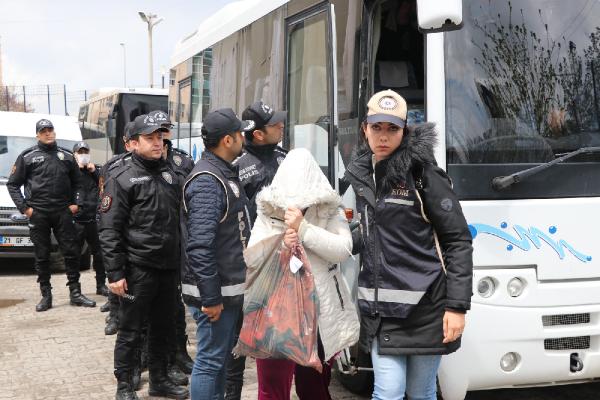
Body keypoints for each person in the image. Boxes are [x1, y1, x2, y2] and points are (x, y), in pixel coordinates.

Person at [343, 90, 473, 400]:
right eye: (377, 128)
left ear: (405, 130)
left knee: (421, 393)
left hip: (427, 310)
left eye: (392, 129)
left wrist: (457, 307)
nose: (383, 137)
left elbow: (457, 241)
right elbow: (365, 237)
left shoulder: (425, 176)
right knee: (387, 392)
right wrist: (309, 235)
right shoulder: (362, 176)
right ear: (365, 129)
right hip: (380, 311)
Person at [244, 148, 360, 400]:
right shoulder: (268, 210)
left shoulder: (329, 209)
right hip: (276, 313)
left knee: (315, 386)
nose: (297, 204)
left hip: (319, 313)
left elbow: (343, 249)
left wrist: (304, 229)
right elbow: (254, 258)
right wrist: (282, 245)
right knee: (272, 388)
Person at [99, 114, 189, 400]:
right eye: (150, 138)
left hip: (168, 267)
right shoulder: (121, 177)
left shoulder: (172, 174)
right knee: (131, 330)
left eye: (160, 138)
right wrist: (115, 274)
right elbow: (109, 230)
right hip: (138, 269)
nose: (157, 143)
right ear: (133, 143)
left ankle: (160, 380)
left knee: (164, 327)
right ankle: (124, 385)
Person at [181, 108, 252, 400]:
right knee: (209, 362)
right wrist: (210, 297)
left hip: (226, 290)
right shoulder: (208, 181)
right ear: (227, 140)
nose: (243, 138)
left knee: (218, 360)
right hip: (214, 295)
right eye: (240, 133)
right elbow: (199, 245)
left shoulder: (222, 172)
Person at [224, 100, 286, 399]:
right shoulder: (237, 168)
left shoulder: (285, 157)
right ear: (258, 134)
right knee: (239, 339)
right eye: (275, 124)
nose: (282, 126)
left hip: (285, 264)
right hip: (250, 266)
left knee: (272, 338)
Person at [7, 118, 96, 311]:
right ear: (38, 134)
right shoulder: (28, 156)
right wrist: (25, 209)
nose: (48, 133)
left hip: (63, 212)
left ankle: (76, 293)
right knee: (42, 255)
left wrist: (76, 203)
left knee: (71, 253)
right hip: (38, 213)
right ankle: (46, 296)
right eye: (43, 131)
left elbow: (78, 183)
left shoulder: (66, 156)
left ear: (54, 132)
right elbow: (12, 184)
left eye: (50, 130)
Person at [148, 109, 196, 380]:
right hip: (152, 245)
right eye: (157, 132)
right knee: (150, 309)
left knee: (176, 304)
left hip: (180, 239)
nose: (162, 136)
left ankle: (178, 352)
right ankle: (154, 360)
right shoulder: (140, 163)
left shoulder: (183, 161)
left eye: (166, 130)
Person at [72, 141, 109, 297]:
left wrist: (94, 172)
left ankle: (101, 285)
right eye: (80, 152)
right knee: (73, 256)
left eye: (85, 152)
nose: (83, 155)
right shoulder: (70, 171)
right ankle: (75, 289)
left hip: (93, 220)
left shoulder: (97, 171)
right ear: (74, 155)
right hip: (77, 221)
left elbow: (105, 186)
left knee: (99, 254)